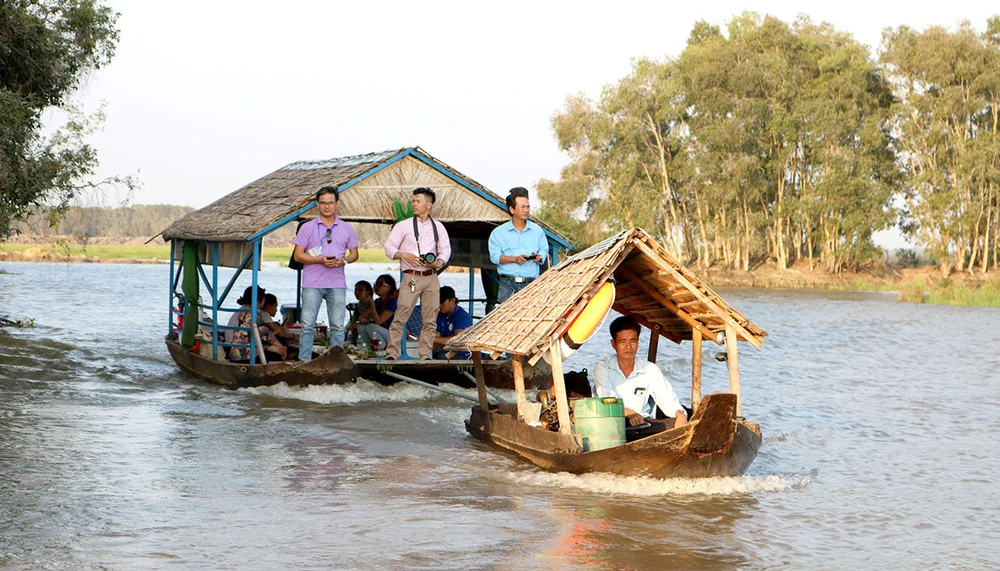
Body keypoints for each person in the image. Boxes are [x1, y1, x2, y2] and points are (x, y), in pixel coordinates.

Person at [592, 315, 688, 441]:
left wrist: (679, 414)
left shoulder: (649, 369)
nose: (628, 347)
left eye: (633, 341)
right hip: (613, 424)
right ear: (613, 344)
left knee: (677, 424)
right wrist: (630, 414)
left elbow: (667, 399)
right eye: (622, 342)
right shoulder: (603, 367)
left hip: (644, 425)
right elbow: (609, 400)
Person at [383, 188, 451, 360]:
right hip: (411, 275)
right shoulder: (403, 225)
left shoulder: (438, 227)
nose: (413, 204)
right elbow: (389, 247)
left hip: (431, 276)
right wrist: (404, 255)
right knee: (401, 315)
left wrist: (438, 262)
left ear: (429, 205)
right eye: (413, 201)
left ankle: (425, 355)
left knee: (430, 318)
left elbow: (445, 250)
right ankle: (392, 353)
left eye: (417, 201)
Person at [292, 186, 359, 360]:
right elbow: (297, 255)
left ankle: (336, 362)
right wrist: (320, 260)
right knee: (307, 326)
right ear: (317, 204)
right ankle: (304, 361)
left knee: (337, 326)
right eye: (323, 203)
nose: (327, 206)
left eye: (330, 203)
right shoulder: (307, 227)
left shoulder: (346, 228)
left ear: (337, 204)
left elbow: (354, 254)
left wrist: (342, 260)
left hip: (337, 283)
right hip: (312, 284)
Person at [488, 187, 549, 303]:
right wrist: (515, 259)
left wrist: (540, 256)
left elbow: (544, 249)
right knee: (506, 319)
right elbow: (494, 257)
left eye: (528, 207)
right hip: (507, 285)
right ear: (512, 209)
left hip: (531, 284)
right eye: (522, 207)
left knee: (531, 319)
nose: (526, 210)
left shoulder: (537, 230)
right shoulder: (498, 233)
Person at [356, 274, 397, 351]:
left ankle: (381, 348)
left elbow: (378, 322)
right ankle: (368, 350)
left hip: (392, 334)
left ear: (388, 287)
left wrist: (372, 305)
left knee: (371, 327)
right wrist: (366, 319)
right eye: (376, 284)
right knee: (361, 327)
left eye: (380, 284)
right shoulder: (378, 301)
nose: (376, 287)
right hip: (382, 332)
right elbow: (363, 316)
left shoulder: (392, 301)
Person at [433, 286, 472, 359]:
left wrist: (431, 338)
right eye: (437, 302)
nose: (439, 305)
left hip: (464, 354)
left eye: (442, 302)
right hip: (447, 351)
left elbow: (457, 340)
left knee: (441, 357)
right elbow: (436, 338)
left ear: (453, 301)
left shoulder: (462, 316)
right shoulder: (440, 315)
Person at [262, 293, 298, 360]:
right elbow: (280, 333)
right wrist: (294, 336)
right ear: (269, 306)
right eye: (275, 306)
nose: (276, 310)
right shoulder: (264, 314)